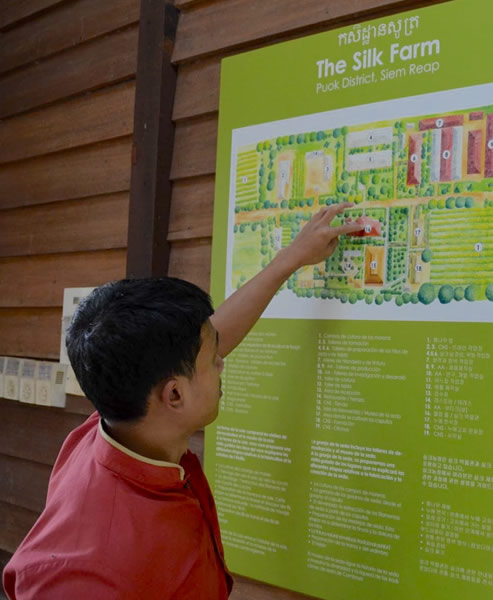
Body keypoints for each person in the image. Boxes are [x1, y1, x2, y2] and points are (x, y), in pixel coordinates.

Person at [2, 204, 363, 599]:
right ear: (174, 394)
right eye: (213, 360)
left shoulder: (119, 417)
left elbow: (212, 337)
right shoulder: (91, 572)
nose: (222, 361)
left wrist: (289, 260)